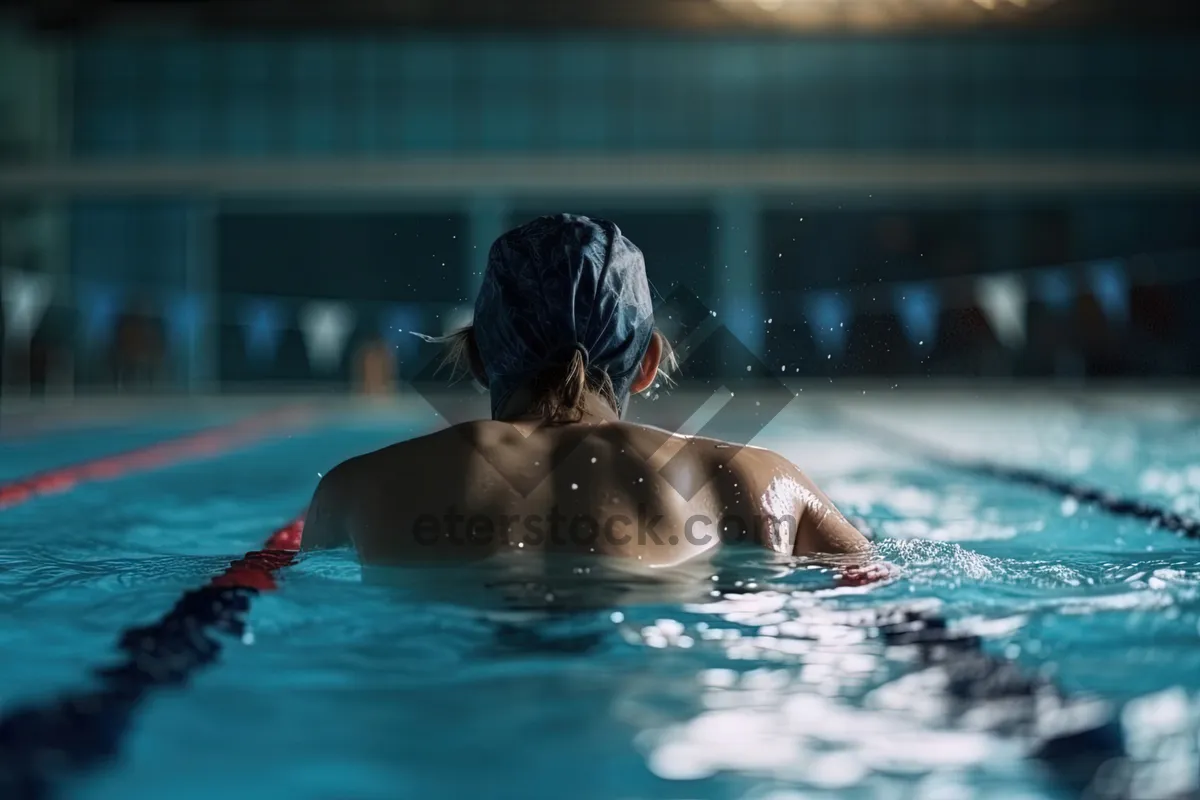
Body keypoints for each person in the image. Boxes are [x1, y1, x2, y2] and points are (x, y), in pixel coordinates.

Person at [302, 214, 872, 571]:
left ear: (477, 359)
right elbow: (883, 601)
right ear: (649, 362)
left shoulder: (357, 490)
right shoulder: (759, 482)